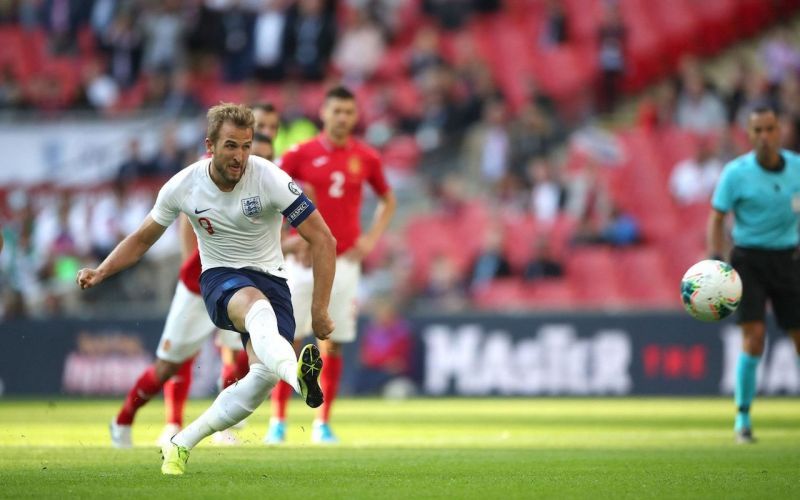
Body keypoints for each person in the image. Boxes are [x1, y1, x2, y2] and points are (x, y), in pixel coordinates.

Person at [77, 103, 337, 475]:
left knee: (261, 376)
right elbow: (142, 238)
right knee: (255, 308)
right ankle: (298, 377)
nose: (241, 156)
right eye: (231, 146)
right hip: (219, 278)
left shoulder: (270, 178)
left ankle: (182, 442)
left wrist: (320, 309)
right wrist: (101, 271)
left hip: (272, 278)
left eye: (246, 146)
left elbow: (323, 239)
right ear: (210, 145)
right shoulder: (184, 185)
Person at [265, 85, 396, 444]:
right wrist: (283, 241)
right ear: (323, 113)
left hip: (345, 261)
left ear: (355, 117)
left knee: (333, 341)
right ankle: (277, 421)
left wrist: (369, 240)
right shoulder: (298, 154)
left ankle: (322, 423)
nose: (342, 118)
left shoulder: (366, 157)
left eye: (348, 112)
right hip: (304, 262)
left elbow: (388, 199)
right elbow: (268, 195)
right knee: (290, 339)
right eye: (336, 110)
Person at [156, 104, 283, 447]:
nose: (248, 149)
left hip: (249, 280)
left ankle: (218, 426)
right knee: (177, 355)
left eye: (267, 129)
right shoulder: (202, 174)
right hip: (205, 277)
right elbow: (185, 218)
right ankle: (167, 422)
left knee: (237, 353)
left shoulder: (271, 175)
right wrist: (190, 263)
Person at [707, 103, 800, 444]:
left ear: (780, 132)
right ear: (748, 135)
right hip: (748, 261)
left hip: (789, 259)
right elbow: (717, 218)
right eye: (757, 130)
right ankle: (742, 419)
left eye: (769, 129)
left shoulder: (798, 170)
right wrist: (717, 259)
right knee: (754, 338)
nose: (763, 136)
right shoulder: (736, 173)